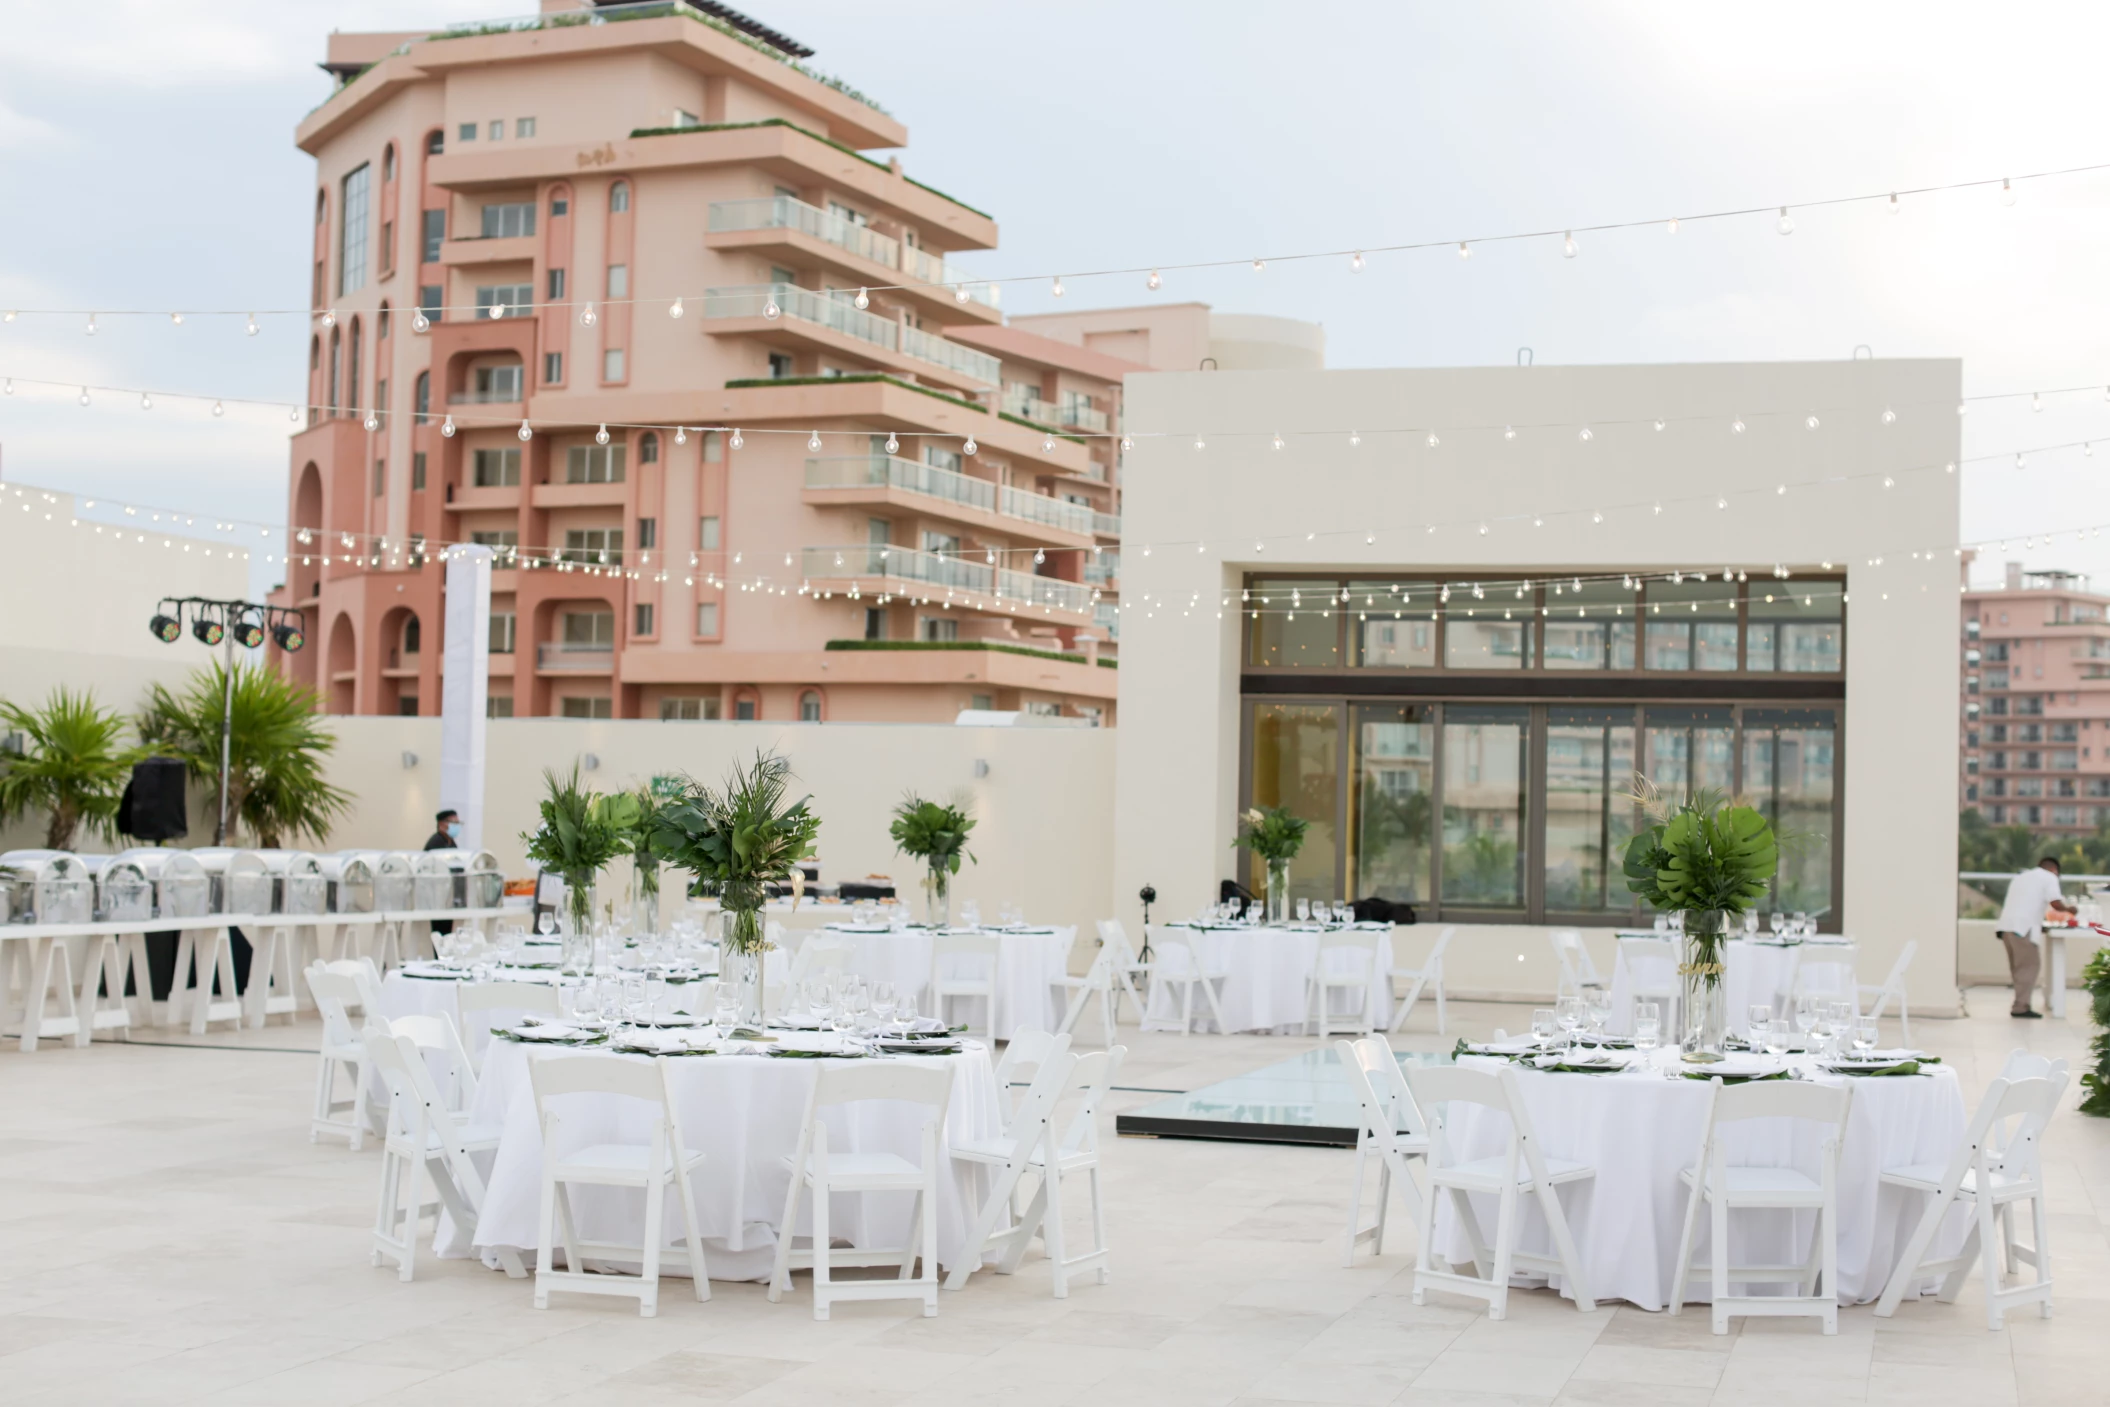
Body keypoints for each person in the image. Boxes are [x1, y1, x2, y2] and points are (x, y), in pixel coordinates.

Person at [1995, 856, 2073, 1019]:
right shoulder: (2049, 877)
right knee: (2029, 967)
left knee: (2018, 968)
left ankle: (2019, 1003)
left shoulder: (2021, 877)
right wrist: (2071, 910)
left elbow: (2025, 903)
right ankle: (2021, 1007)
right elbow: (2056, 904)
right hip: (2022, 929)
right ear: (2055, 870)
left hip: (2007, 927)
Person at [425, 808, 461, 936]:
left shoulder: (452, 843)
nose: (456, 826)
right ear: (441, 824)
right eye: (453, 823)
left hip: (448, 897)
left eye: (458, 823)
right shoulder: (436, 843)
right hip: (437, 897)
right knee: (439, 933)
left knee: (448, 932)